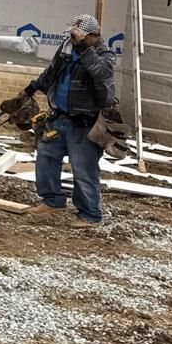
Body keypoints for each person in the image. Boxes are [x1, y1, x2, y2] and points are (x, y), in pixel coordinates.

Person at [21, 14, 115, 228]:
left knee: (83, 168)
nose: (73, 40)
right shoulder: (66, 48)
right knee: (46, 157)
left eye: (77, 37)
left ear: (92, 36)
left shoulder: (104, 54)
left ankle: (90, 214)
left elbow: (101, 73)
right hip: (59, 117)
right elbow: (52, 72)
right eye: (72, 36)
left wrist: (84, 49)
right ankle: (52, 200)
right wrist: (31, 88)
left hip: (85, 122)